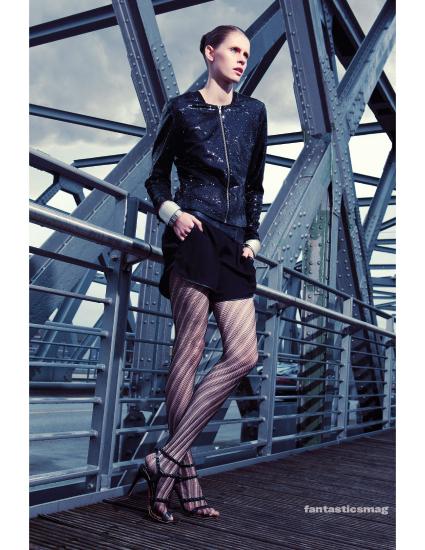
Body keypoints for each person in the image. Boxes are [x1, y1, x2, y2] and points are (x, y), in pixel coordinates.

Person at [129, 24, 268, 524]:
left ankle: (163, 461)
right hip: (193, 234)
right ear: (210, 52)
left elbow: (254, 183)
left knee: (244, 354)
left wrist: (254, 236)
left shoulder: (254, 112)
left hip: (235, 245)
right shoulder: (182, 109)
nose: (242, 59)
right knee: (187, 354)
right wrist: (171, 214)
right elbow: (156, 176)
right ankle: (185, 484)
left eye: (247, 53)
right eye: (234, 50)